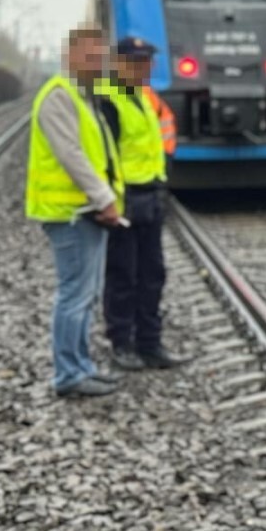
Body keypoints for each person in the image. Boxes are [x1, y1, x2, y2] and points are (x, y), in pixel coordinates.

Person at [25, 26, 125, 398]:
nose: (98, 62)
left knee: (86, 294)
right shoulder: (58, 96)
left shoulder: (83, 96)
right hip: (69, 213)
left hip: (83, 211)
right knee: (74, 295)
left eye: (101, 55)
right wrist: (104, 199)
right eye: (91, 55)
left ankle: (81, 366)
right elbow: (72, 156)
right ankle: (68, 374)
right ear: (70, 55)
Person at [95, 37, 186, 370]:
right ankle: (122, 344)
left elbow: (154, 146)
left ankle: (150, 342)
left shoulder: (144, 98)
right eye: (137, 62)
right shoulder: (108, 98)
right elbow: (103, 156)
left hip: (150, 196)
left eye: (147, 62)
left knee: (152, 273)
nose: (144, 68)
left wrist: (163, 182)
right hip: (125, 201)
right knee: (123, 275)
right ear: (119, 63)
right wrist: (110, 201)